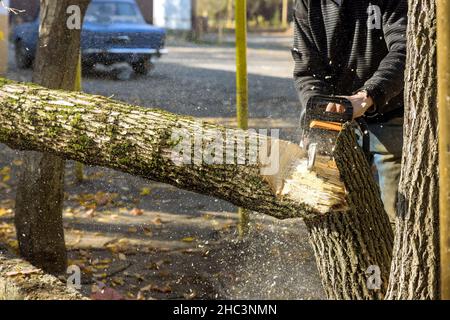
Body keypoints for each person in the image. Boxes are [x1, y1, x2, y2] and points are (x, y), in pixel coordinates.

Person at [292, 0, 407, 223]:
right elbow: (307, 69)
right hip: (337, 118)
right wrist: (317, 110)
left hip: (390, 108)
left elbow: (404, 49)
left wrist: (368, 95)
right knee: (339, 212)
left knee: (399, 215)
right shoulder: (308, 3)